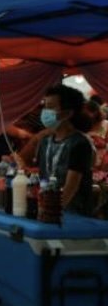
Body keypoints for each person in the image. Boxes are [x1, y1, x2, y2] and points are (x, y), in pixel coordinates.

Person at [35, 83, 96, 215]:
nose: (45, 112)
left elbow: (70, 188)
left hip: (74, 216)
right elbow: (42, 178)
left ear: (67, 113)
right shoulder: (45, 142)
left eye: (50, 107)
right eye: (44, 106)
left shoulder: (80, 144)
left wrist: (52, 212)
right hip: (47, 212)